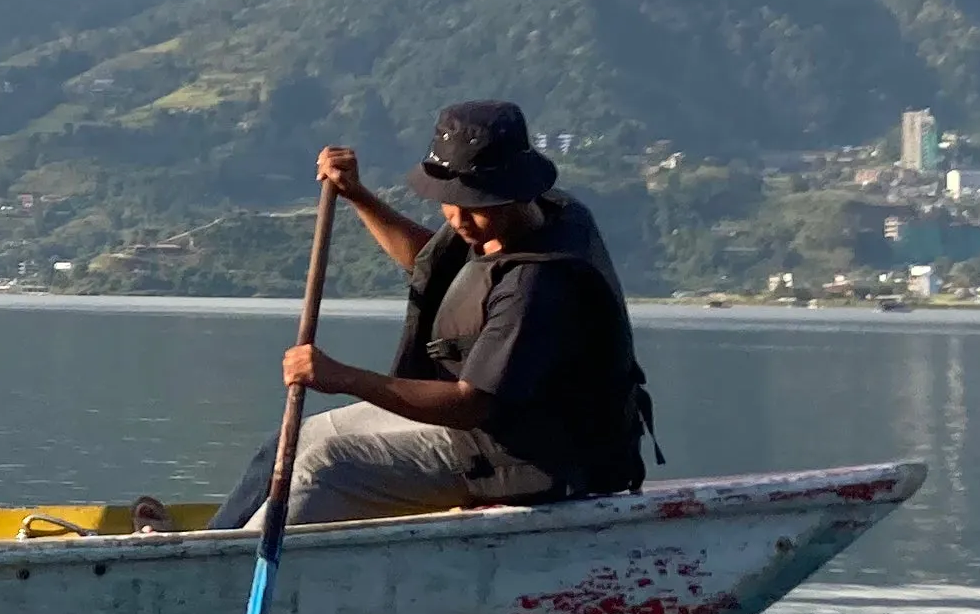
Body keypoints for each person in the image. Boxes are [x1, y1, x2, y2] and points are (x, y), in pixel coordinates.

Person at [202, 101, 649, 528]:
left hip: (530, 457)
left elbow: (471, 402)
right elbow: (435, 267)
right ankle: (214, 543)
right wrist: (358, 195)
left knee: (325, 467)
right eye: (448, 200)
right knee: (296, 438)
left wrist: (342, 377)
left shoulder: (538, 284)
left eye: (474, 205)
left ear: (515, 192)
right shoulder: (523, 219)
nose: (457, 218)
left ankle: (231, 570)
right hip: (487, 431)